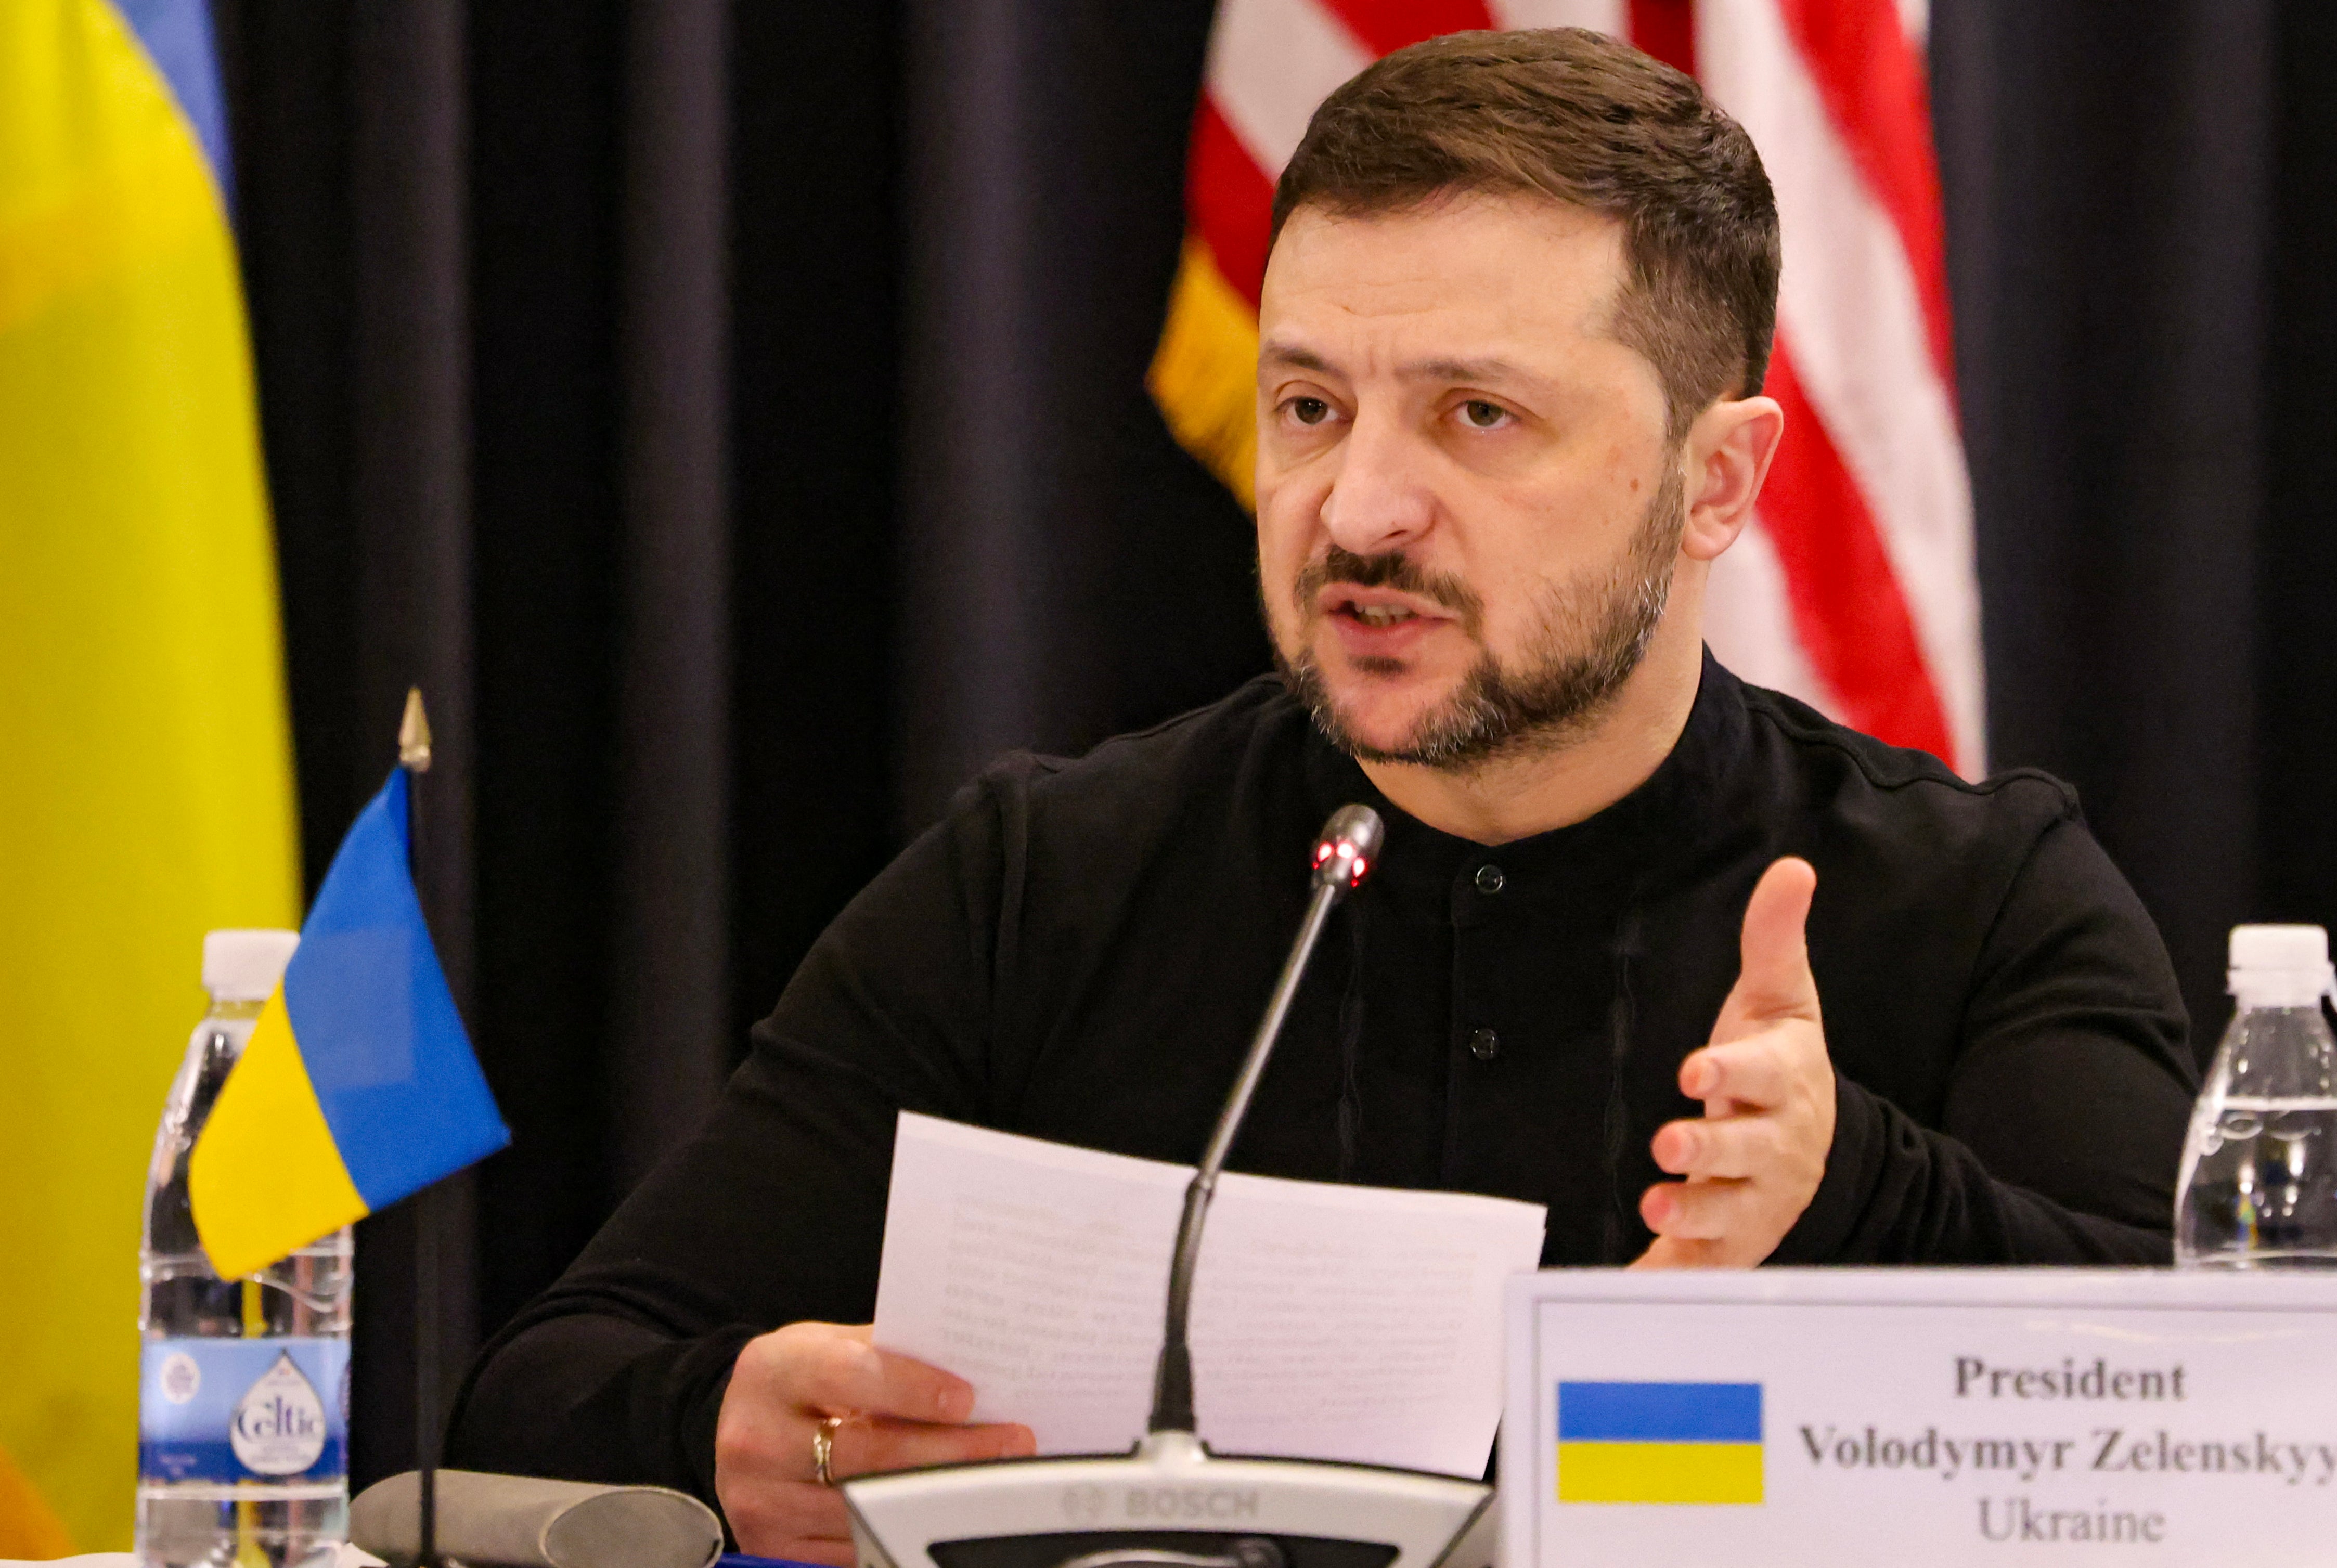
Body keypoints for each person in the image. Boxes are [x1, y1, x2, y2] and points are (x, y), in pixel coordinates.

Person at [447, 26, 2196, 1562]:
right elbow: (540, 1388)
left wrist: (1857, 1192)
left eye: (1477, 418)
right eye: (1308, 405)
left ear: (1715, 478)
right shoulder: (1047, 883)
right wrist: (726, 1429)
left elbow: (2215, 1442)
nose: (1357, 513)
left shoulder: (1976, 903)